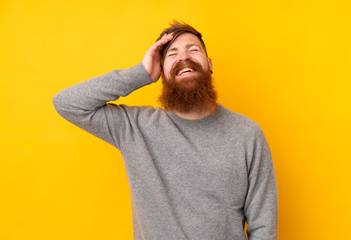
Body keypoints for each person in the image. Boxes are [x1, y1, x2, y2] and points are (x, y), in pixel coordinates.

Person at [53, 21, 278, 240]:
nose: (184, 57)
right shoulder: (135, 128)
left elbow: (264, 224)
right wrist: (141, 73)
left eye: (193, 50)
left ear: (209, 64)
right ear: (161, 70)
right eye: (172, 54)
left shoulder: (246, 134)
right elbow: (67, 103)